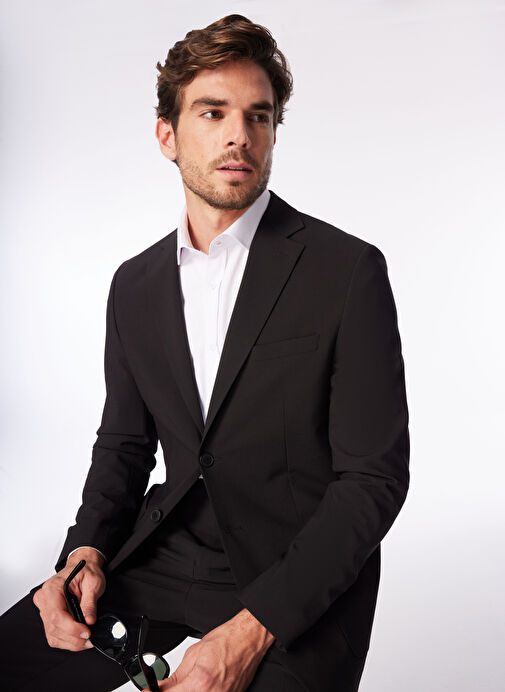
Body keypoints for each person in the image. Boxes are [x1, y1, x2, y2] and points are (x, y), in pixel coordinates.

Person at [0, 13, 410, 692]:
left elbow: (374, 480)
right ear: (167, 134)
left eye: (258, 116)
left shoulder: (346, 271)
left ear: (273, 132)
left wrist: (251, 629)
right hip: (164, 558)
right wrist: (85, 551)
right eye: (212, 112)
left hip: (295, 578)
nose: (238, 135)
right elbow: (124, 444)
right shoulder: (134, 285)